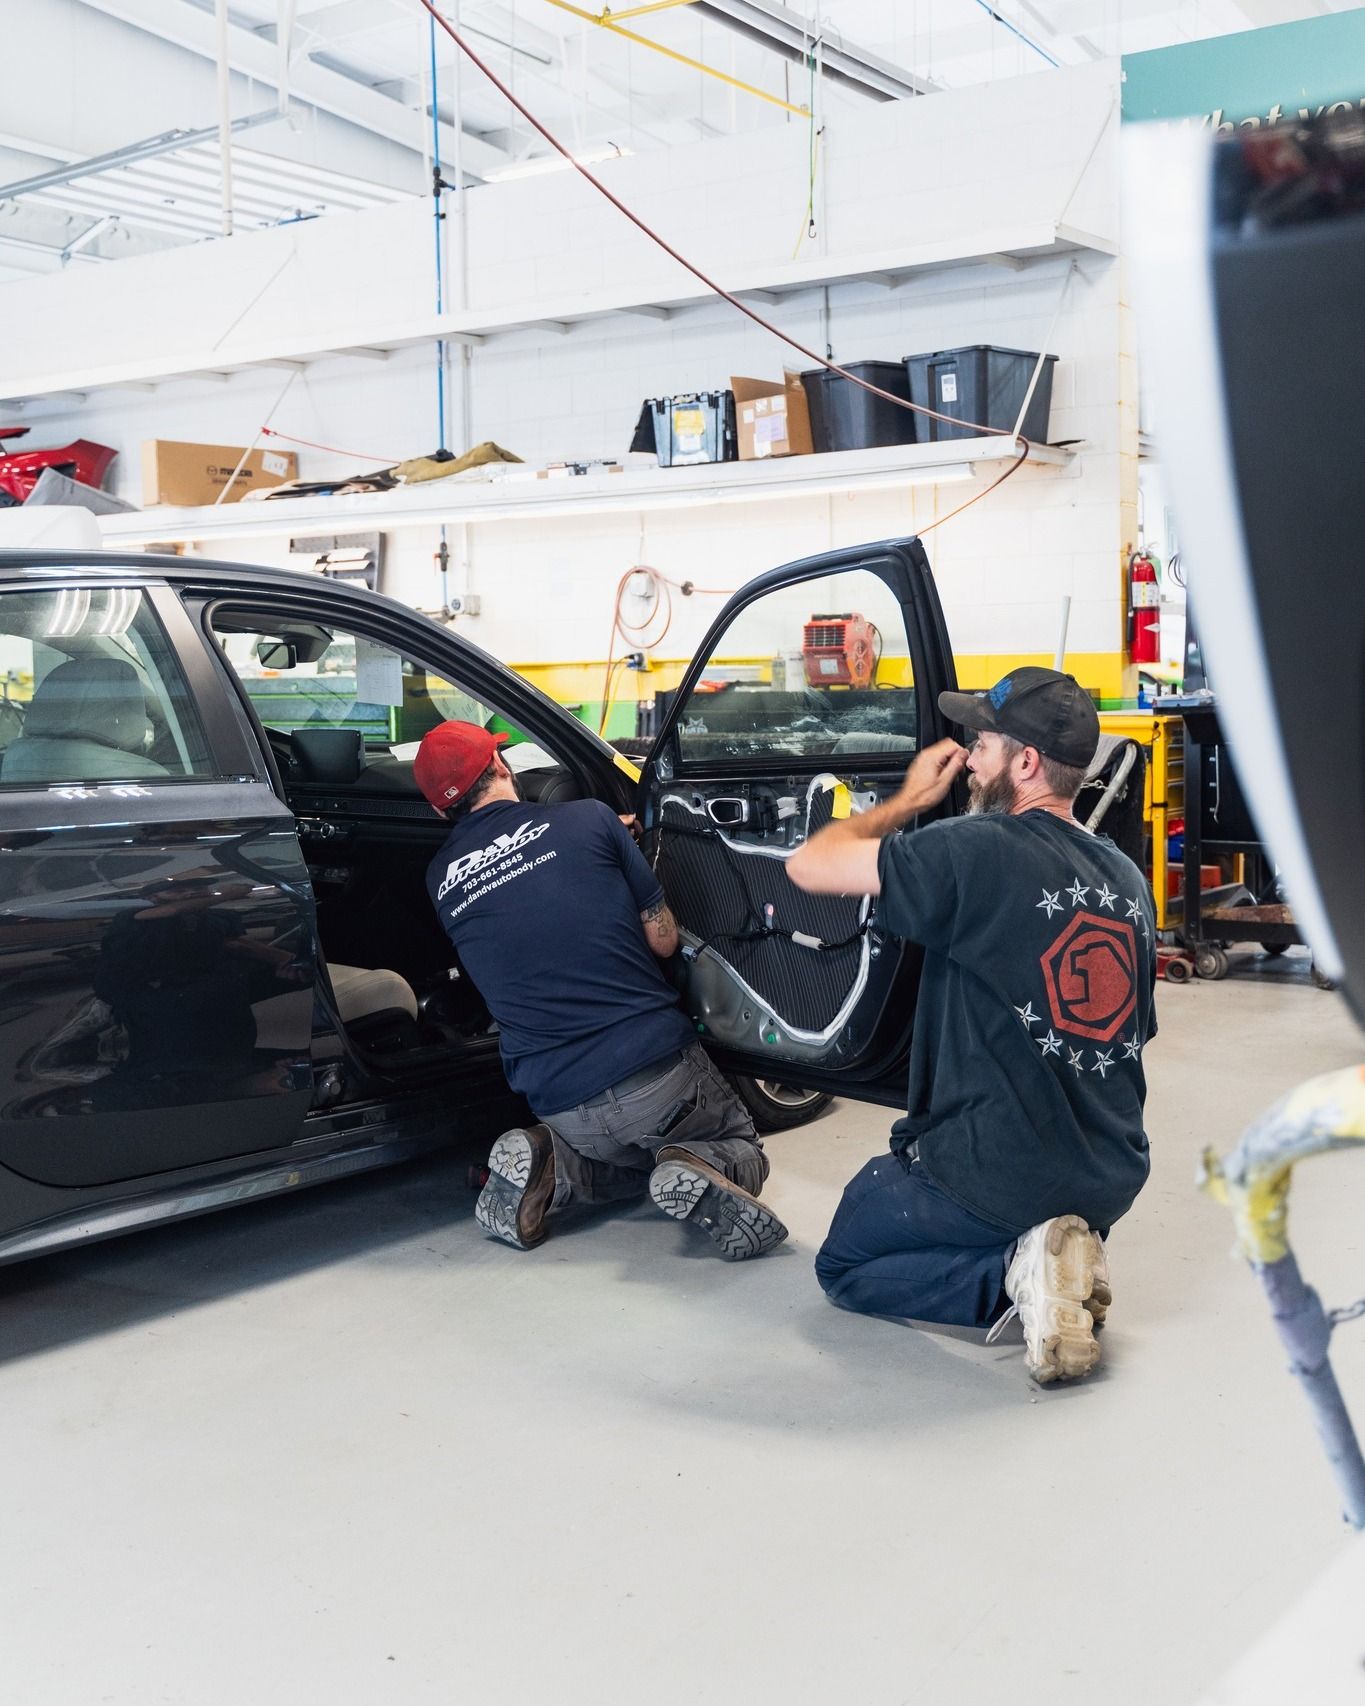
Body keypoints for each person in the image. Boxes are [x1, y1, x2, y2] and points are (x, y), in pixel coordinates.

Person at [788, 668, 1157, 1383]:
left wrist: (909, 799)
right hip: (1108, 1172)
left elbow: (811, 864)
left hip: (996, 1176)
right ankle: (1060, 1253)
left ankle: (1018, 1270)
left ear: (1024, 763)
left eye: (980, 743)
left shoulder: (978, 847)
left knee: (843, 1261)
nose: (966, 758)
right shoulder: (1125, 878)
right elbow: (1129, 1037)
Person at [414, 720, 788, 1261]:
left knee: (621, 1168)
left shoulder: (439, 876)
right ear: (501, 767)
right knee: (742, 1151)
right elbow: (662, 942)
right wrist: (612, 851)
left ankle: (553, 1165)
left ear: (437, 811)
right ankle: (694, 1160)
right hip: (655, 1077)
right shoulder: (589, 820)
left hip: (556, 1099)